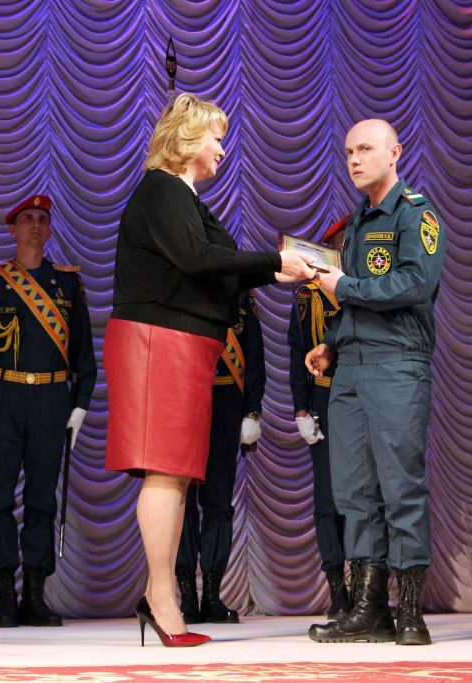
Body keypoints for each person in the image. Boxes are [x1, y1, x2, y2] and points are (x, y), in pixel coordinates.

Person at [105, 93, 316, 647]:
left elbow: (214, 265)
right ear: (186, 139)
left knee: (175, 473)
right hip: (159, 342)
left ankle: (159, 595)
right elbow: (199, 259)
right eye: (216, 138)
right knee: (164, 471)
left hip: (181, 344)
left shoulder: (184, 198)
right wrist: (273, 262)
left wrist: (275, 270)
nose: (223, 149)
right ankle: (161, 597)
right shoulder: (162, 190)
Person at [306, 119, 446, 646]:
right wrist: (331, 342)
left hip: (396, 365)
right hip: (351, 369)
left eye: (365, 149)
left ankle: (410, 611)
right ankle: (369, 609)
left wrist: (344, 286)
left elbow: (414, 283)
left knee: (400, 487)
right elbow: (358, 301)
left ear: (395, 153)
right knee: (354, 492)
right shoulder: (359, 220)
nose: (355, 159)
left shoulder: (416, 213)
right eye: (348, 152)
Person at [0, 194, 97, 628]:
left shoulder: (68, 284)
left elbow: (84, 353)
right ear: (12, 229)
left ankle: (35, 594)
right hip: (2, 397)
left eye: (41, 219)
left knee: (41, 499)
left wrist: (80, 405)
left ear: (49, 229)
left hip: (52, 400)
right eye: (27, 219)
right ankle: (5, 594)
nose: (35, 225)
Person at [176, 290, 265, 625]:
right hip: (184, 401)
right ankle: (187, 595)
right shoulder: (179, 289)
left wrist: (252, 411)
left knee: (218, 503)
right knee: (180, 501)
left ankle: (212, 594)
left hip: (226, 401)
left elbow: (255, 356)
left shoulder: (240, 298)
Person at [287, 215, 350, 622]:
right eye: (341, 243)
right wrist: (301, 407)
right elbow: (298, 352)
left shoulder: (362, 289)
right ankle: (338, 589)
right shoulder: (307, 296)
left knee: (365, 498)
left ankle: (367, 584)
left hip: (362, 397)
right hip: (325, 399)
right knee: (328, 499)